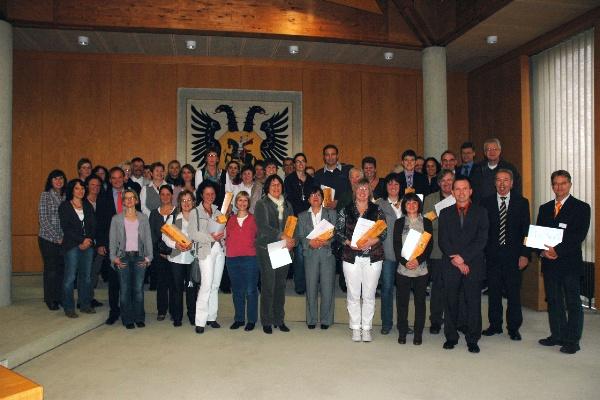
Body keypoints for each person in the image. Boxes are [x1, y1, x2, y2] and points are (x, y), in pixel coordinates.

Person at [536, 170, 590, 354]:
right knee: (553, 300)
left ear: (570, 184)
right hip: (549, 263)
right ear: (552, 186)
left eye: (563, 183)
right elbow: (538, 235)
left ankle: (572, 340)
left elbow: (578, 236)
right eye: (556, 184)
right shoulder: (544, 208)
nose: (559, 187)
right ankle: (557, 335)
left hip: (569, 263)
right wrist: (542, 251)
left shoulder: (582, 208)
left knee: (573, 302)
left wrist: (557, 251)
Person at [438, 177, 488, 353]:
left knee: (473, 302)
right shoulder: (444, 213)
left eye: (464, 189)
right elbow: (443, 240)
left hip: (473, 263)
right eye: (457, 189)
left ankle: (473, 338)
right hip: (451, 264)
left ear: (470, 191)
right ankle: (451, 337)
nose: (461, 192)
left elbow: (482, 240)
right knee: (450, 300)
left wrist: (464, 258)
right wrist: (457, 260)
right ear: (452, 192)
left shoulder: (481, 212)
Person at [334, 178, 386, 342]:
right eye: (359, 189)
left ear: (369, 191)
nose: (362, 192)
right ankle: (356, 328)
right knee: (353, 294)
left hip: (373, 257)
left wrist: (373, 240)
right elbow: (338, 233)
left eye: (365, 189)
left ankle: (367, 327)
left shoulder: (377, 210)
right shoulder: (345, 210)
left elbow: (383, 232)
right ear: (354, 191)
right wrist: (350, 243)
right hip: (351, 257)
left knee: (369, 295)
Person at [481, 169, 530, 341]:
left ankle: (514, 327)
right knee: (493, 293)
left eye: (506, 180)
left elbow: (526, 232)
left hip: (514, 257)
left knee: (513, 293)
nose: (502, 184)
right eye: (499, 180)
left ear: (512, 183)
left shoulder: (522, 203)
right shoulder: (485, 203)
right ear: (494, 183)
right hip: (492, 256)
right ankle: (495, 325)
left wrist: (525, 255)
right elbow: (483, 231)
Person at [254, 175, 296, 334]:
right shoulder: (261, 203)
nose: (276, 187)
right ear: (267, 187)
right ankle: (266, 320)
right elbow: (263, 227)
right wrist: (282, 236)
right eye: (273, 185)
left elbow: (293, 224)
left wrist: (292, 241)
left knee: (280, 285)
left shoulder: (287, 204)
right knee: (268, 286)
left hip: (283, 248)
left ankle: (279, 319)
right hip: (267, 249)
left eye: (278, 185)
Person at [109, 189, 153, 329]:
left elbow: (147, 239)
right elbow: (113, 240)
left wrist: (149, 257)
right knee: (125, 289)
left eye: (132, 197)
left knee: (138, 289)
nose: (129, 200)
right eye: (126, 198)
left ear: (136, 200)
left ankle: (139, 317)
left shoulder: (143, 218)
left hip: (139, 256)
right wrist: (113, 257)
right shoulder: (116, 219)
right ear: (123, 201)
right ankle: (127, 319)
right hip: (123, 257)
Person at [393, 193, 433, 345]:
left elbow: (429, 246)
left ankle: (418, 334)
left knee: (420, 303)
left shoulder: (427, 222)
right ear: (404, 205)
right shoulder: (399, 223)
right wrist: (404, 262)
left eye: (414, 202)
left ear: (419, 204)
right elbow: (396, 245)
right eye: (408, 202)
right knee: (402, 302)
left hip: (421, 269)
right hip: (403, 269)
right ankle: (402, 332)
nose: (411, 205)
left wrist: (418, 260)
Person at [188, 181, 226, 334]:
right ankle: (200, 321)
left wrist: (222, 237)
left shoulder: (218, 212)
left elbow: (224, 229)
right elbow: (193, 234)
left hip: (219, 250)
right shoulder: (195, 212)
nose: (210, 196)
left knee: (215, 285)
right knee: (206, 285)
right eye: (207, 194)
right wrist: (211, 237)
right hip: (205, 251)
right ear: (201, 195)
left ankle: (211, 317)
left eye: (212, 194)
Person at [296, 186, 337, 330]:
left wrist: (328, 241)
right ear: (308, 199)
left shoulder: (331, 213)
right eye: (312, 194)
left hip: (327, 254)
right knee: (311, 287)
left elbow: (335, 233)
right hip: (310, 254)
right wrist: (309, 243)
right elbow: (300, 236)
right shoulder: (302, 216)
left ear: (322, 198)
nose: (315, 197)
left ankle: (326, 319)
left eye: (318, 195)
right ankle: (311, 319)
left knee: (327, 287)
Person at [422, 169, 455, 334]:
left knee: (455, 288)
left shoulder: (460, 196)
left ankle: (454, 321)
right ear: (439, 183)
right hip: (436, 250)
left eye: (450, 180)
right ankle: (435, 321)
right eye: (444, 180)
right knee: (437, 288)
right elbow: (426, 223)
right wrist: (444, 218)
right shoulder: (430, 199)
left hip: (456, 251)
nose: (447, 183)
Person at [59, 179, 97, 318]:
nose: (80, 191)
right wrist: (81, 240)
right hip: (71, 246)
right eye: (77, 188)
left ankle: (85, 304)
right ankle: (69, 307)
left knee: (86, 277)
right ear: (71, 190)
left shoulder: (88, 206)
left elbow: (93, 225)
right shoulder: (64, 206)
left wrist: (89, 240)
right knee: (70, 277)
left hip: (88, 246)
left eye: (82, 188)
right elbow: (66, 228)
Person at [96, 167, 127, 325]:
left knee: (127, 281)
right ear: (109, 180)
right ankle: (114, 311)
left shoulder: (131, 196)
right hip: (112, 244)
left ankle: (128, 311)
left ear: (124, 178)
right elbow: (100, 223)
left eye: (119, 177)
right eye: (113, 178)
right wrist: (101, 243)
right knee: (114, 281)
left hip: (130, 245)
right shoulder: (103, 197)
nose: (117, 180)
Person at [162, 189, 197, 327]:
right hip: (176, 259)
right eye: (183, 200)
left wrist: (192, 246)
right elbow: (165, 236)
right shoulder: (174, 217)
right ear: (179, 203)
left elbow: (202, 237)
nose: (186, 203)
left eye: (189, 200)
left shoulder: (198, 218)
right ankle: (177, 317)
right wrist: (175, 244)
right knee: (176, 289)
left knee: (191, 288)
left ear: (193, 202)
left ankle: (192, 315)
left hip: (192, 259)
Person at [225, 191, 259, 331]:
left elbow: (260, 236)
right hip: (232, 258)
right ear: (235, 202)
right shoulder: (229, 219)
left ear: (248, 203)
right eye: (240, 200)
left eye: (245, 200)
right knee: (237, 290)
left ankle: (251, 320)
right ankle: (239, 319)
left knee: (251, 290)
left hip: (250, 258)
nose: (242, 203)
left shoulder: (254, 219)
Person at [375, 173, 403, 335]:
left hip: (406, 254)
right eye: (390, 184)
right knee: (386, 289)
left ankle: (403, 323)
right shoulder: (379, 204)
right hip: (387, 254)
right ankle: (386, 323)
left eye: (396, 184)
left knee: (403, 290)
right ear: (386, 187)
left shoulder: (409, 202)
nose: (393, 187)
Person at [284, 152, 314, 295]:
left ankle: (310, 283)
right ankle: (300, 285)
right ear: (294, 164)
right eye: (297, 161)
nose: (300, 164)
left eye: (303, 161)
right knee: (298, 252)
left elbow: (314, 199)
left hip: (309, 219)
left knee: (307, 251)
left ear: (305, 163)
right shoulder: (289, 180)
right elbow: (289, 200)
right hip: (294, 219)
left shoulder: (311, 180)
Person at [38, 169, 67, 311]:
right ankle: (50, 299)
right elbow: (43, 220)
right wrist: (57, 238)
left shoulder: (66, 196)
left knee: (62, 269)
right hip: (48, 239)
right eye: (55, 179)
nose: (58, 181)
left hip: (63, 239)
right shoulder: (45, 196)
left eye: (61, 178)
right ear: (50, 181)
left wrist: (64, 238)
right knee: (51, 270)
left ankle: (60, 297)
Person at [149, 185, 176, 322]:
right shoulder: (154, 213)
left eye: (168, 194)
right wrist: (161, 250)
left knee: (173, 283)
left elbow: (180, 233)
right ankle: (161, 310)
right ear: (159, 196)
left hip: (175, 253)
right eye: (162, 194)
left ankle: (173, 310)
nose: (165, 197)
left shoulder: (177, 212)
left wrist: (170, 251)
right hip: (158, 254)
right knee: (161, 283)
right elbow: (152, 234)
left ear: (172, 195)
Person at [470, 138, 522, 202]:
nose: (492, 152)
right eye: (489, 149)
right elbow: (473, 190)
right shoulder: (477, 168)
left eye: (495, 149)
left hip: (503, 205)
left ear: (500, 151)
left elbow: (516, 188)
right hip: (482, 207)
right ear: (485, 152)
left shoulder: (509, 168)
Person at [82, 175, 104, 308]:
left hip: (99, 243)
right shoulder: (82, 202)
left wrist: (101, 243)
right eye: (92, 185)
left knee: (94, 272)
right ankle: (83, 300)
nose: (95, 188)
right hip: (86, 243)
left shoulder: (102, 201)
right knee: (86, 272)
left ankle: (90, 297)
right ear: (87, 186)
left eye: (98, 185)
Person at [313, 144, 353, 211]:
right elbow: (316, 194)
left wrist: (338, 202)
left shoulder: (348, 171)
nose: (330, 157)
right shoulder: (318, 174)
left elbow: (353, 190)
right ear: (324, 157)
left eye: (333, 154)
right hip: (326, 213)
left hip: (346, 211)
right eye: (327, 155)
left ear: (337, 156)